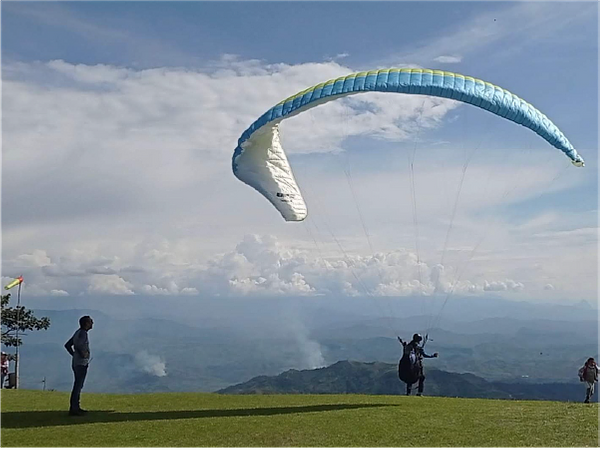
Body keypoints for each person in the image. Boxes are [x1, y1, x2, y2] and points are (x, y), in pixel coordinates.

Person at [64, 315, 93, 415]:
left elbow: (68, 345)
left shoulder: (77, 332)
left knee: (78, 385)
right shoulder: (83, 333)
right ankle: (74, 409)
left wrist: (74, 354)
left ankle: (76, 407)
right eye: (90, 322)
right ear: (86, 324)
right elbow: (79, 345)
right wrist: (82, 355)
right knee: (78, 385)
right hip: (81, 363)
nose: (92, 323)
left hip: (76, 362)